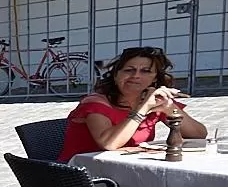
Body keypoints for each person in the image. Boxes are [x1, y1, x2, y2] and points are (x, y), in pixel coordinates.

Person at [57, 46, 206, 163]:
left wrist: (169, 107)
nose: (136, 76)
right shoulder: (95, 102)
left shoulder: (154, 100)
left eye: (145, 71)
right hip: (81, 176)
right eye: (129, 70)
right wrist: (142, 109)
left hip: (125, 169)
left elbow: (199, 135)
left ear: (154, 78)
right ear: (116, 75)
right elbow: (109, 144)